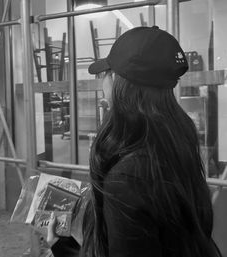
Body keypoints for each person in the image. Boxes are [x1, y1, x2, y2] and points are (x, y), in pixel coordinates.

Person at [48, 26, 222, 257]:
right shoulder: (175, 144)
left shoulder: (127, 177)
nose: (103, 87)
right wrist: (67, 247)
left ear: (119, 80)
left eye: (105, 75)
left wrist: (63, 249)